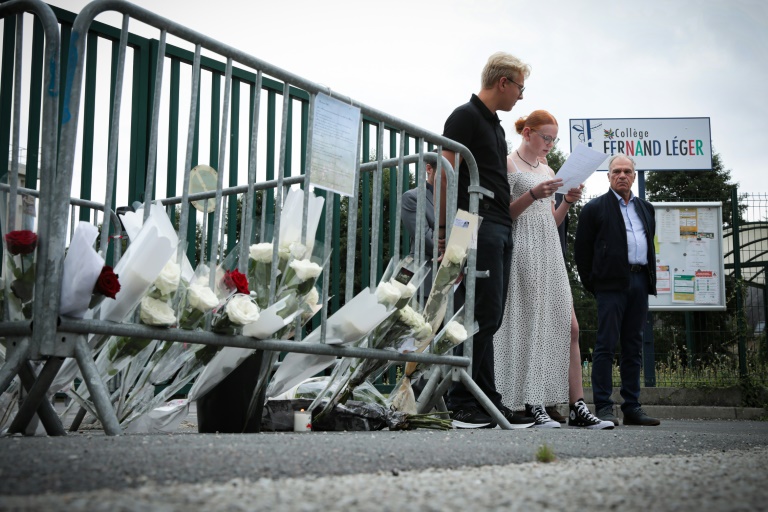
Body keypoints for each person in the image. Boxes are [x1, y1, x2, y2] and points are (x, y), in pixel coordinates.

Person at [493, 110, 613, 430]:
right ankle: (534, 402)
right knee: (532, 325)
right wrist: (532, 193)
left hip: (549, 250)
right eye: (546, 137)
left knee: (569, 326)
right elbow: (501, 215)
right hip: (522, 249)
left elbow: (550, 220)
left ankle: (577, 406)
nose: (549, 144)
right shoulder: (508, 163)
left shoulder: (547, 168)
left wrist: (568, 201)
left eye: (553, 139)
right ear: (527, 133)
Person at [438, 51, 533, 429]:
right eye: (520, 88)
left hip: (497, 223)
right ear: (503, 82)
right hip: (470, 223)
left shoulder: (495, 124)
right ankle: (461, 401)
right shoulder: (464, 116)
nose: (521, 98)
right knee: (477, 312)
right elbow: (444, 172)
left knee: (489, 314)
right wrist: (446, 231)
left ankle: (486, 399)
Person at [574, 154, 660, 426]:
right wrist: (595, 283)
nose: (622, 175)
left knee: (633, 346)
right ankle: (603, 406)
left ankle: (632, 407)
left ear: (634, 175)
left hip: (639, 282)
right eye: (616, 171)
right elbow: (582, 253)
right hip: (609, 286)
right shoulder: (595, 209)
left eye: (627, 171)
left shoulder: (646, 208)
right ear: (608, 176)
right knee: (606, 345)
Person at [401, 160, 436, 299]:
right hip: (422, 280)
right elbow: (426, 238)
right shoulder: (412, 197)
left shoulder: (460, 200)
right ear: (429, 168)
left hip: (456, 283)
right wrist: (454, 251)